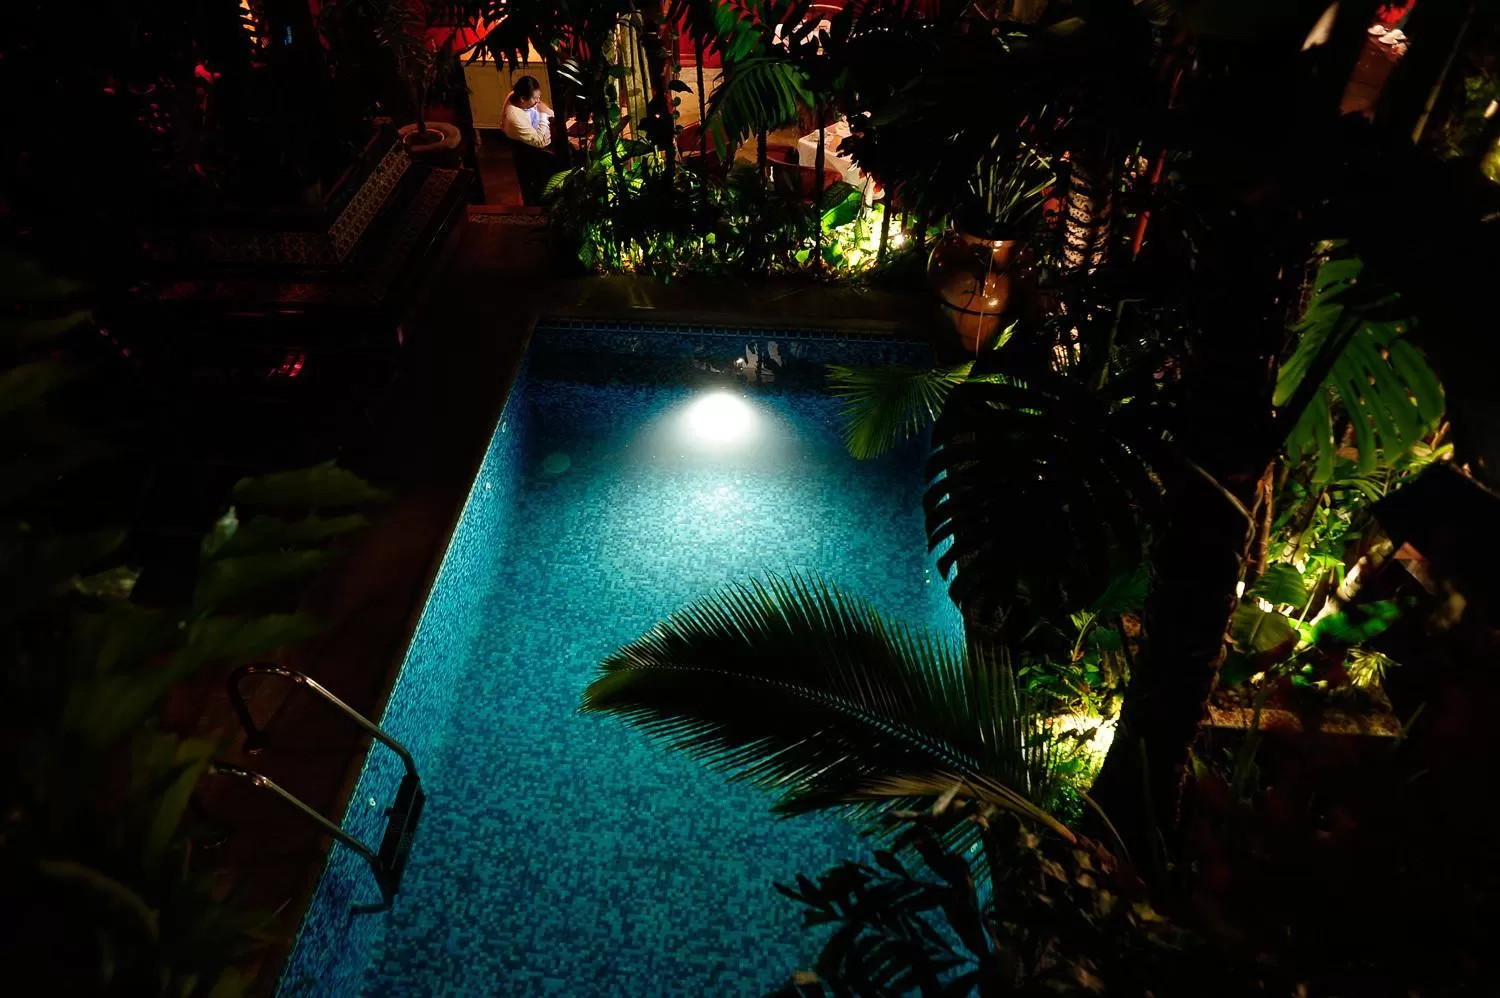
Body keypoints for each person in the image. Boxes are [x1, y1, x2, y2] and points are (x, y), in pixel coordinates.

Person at [503, 76, 555, 150]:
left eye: (539, 96)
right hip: (534, 151)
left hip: (543, 133)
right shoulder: (515, 117)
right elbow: (541, 142)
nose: (538, 101)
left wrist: (549, 112)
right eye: (535, 98)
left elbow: (544, 107)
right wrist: (543, 114)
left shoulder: (515, 95)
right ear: (523, 99)